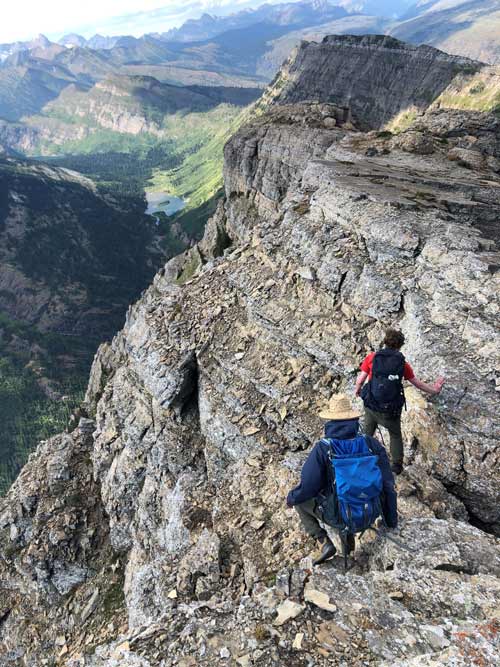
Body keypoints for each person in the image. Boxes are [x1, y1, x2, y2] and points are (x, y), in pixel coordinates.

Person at [286, 394, 397, 565]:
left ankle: (323, 542)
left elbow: (308, 486)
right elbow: (388, 484)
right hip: (371, 512)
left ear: (330, 421)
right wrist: (391, 521)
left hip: (341, 516)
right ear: (353, 420)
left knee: (302, 501)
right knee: (343, 496)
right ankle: (349, 552)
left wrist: (292, 498)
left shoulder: (324, 449)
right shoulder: (370, 444)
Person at [355, 328, 445, 475]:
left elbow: (361, 379)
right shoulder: (402, 364)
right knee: (395, 434)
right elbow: (418, 384)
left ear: (385, 341)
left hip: (372, 405)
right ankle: (396, 465)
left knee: (367, 431)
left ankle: (360, 459)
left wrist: (358, 390)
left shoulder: (372, 357)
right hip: (390, 410)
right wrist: (435, 389)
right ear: (400, 345)